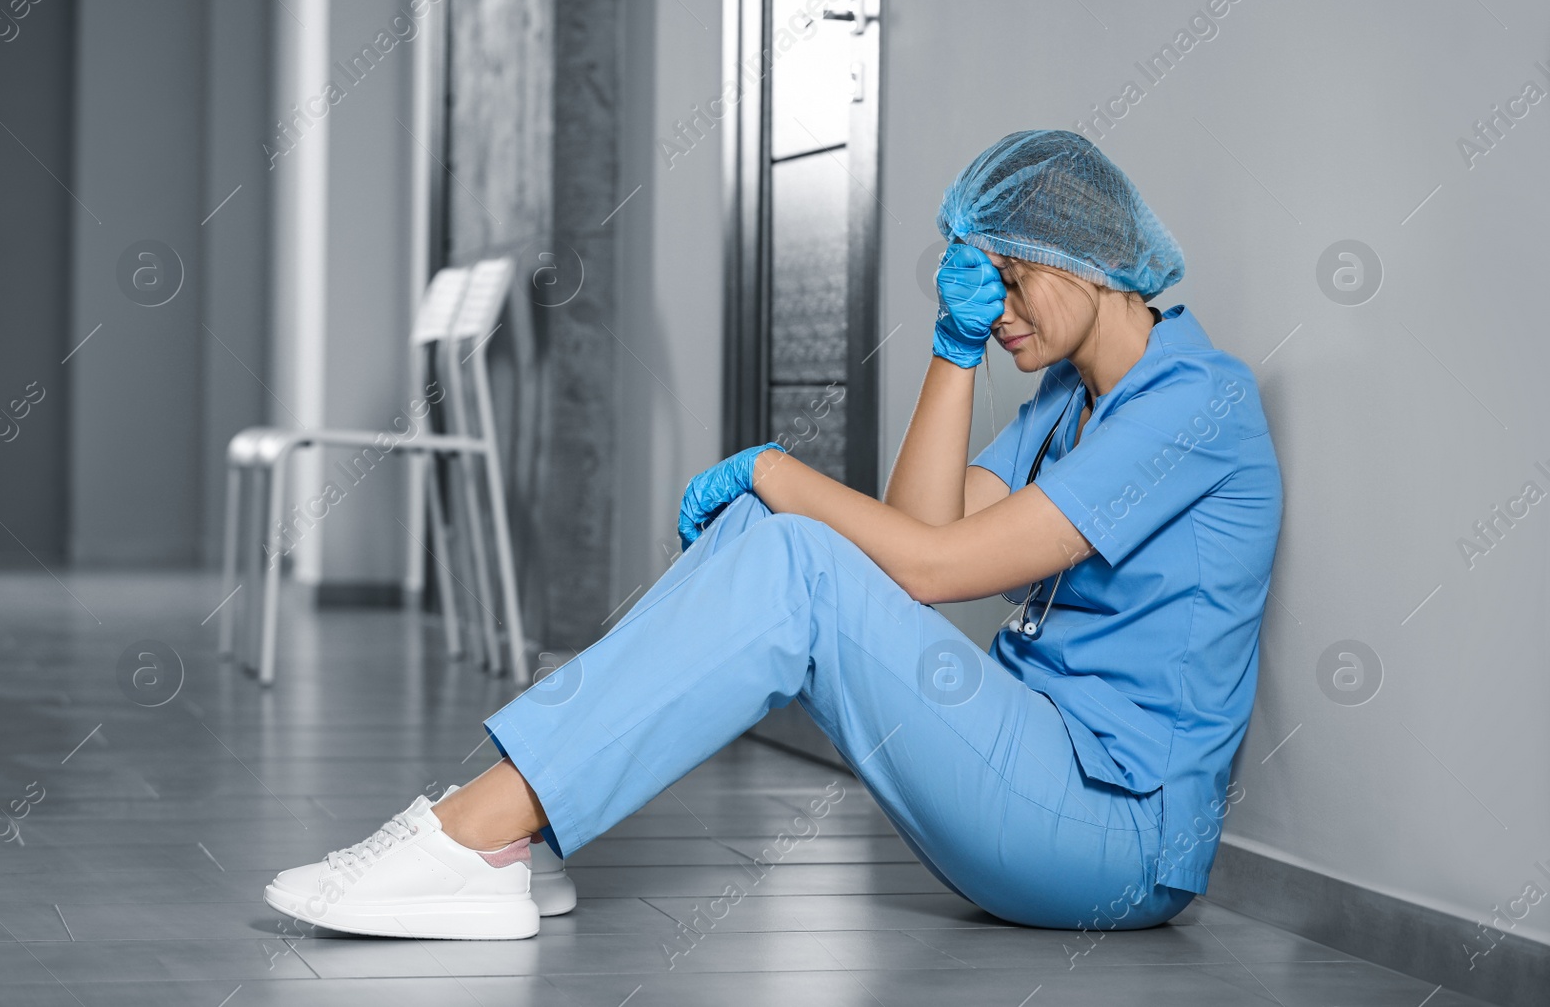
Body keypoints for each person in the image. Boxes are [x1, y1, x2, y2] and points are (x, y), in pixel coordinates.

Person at [264, 129, 1283, 940]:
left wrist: (775, 467)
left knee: (788, 532)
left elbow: (925, 569)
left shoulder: (1195, 402)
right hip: (1036, 772)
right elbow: (918, 534)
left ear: (1091, 262)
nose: (997, 303)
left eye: (1011, 280)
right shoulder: (1069, 401)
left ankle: (478, 835)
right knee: (773, 527)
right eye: (981, 283)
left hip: (1115, 836)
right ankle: (505, 829)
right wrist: (953, 350)